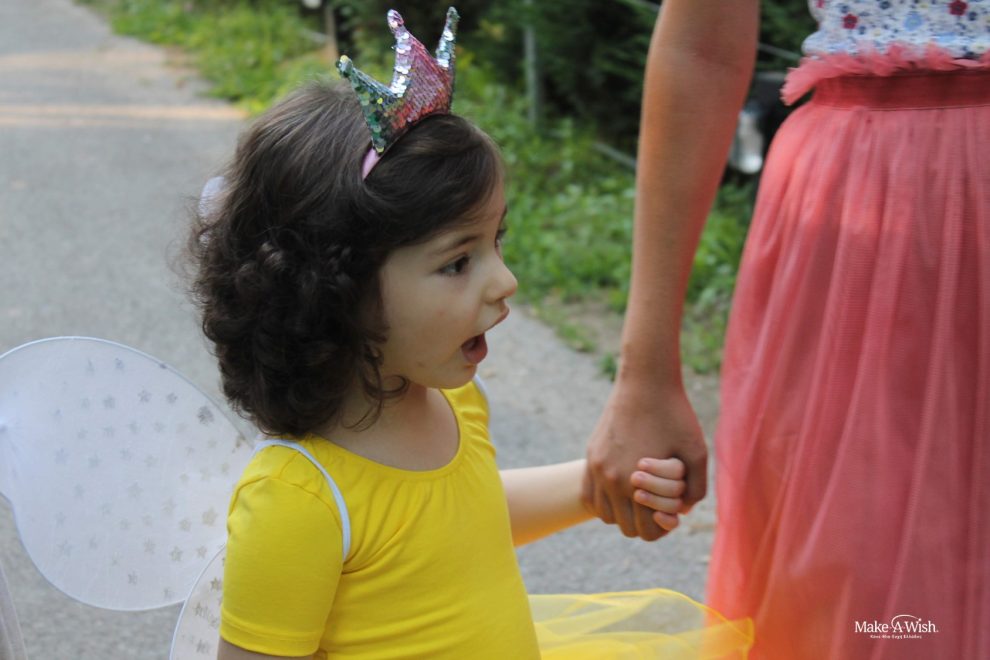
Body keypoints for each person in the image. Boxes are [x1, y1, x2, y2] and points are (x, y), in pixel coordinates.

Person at [185, 10, 735, 659]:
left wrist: (593, 488)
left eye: (496, 241)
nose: (505, 281)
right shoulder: (297, 499)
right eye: (457, 262)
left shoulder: (454, 404)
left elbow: (462, 519)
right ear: (336, 288)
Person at [586, 1, 989, 659]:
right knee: (860, 603)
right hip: (865, 225)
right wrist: (645, 377)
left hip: (863, 197)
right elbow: (701, 48)